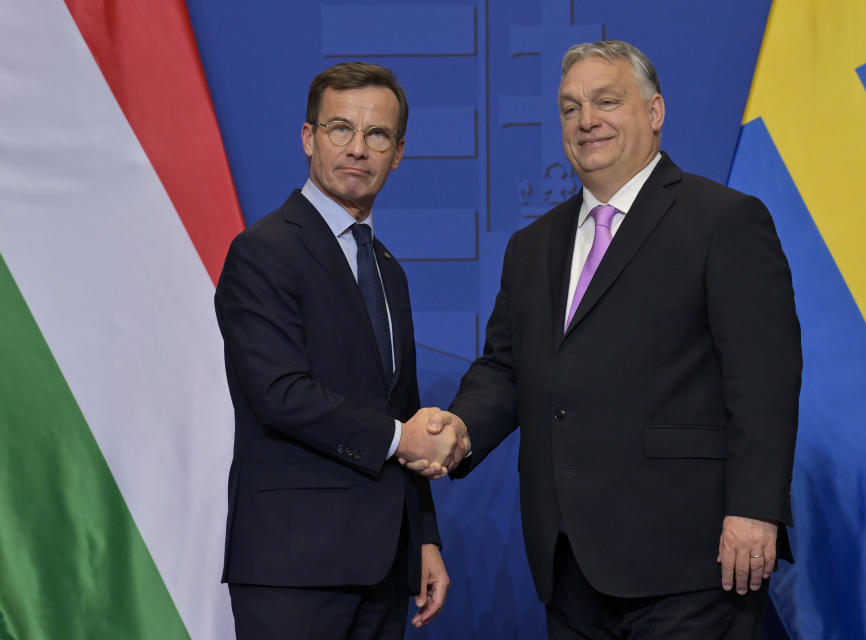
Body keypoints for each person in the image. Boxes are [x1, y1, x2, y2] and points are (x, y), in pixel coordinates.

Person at [416, 40, 802, 638]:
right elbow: (506, 369)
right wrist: (461, 430)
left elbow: (764, 380)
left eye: (606, 101)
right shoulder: (532, 246)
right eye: (570, 108)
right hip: (568, 562)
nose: (586, 120)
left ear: (654, 112)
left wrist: (754, 509)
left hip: (691, 561)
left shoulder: (724, 220)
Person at [214, 61, 464, 639]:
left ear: (398, 152)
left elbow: (402, 402)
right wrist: (403, 439)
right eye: (339, 129)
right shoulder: (262, 251)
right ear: (308, 138)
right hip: (293, 565)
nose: (358, 148)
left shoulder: (388, 271)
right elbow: (280, 394)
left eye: (377, 134)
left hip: (383, 563)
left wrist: (423, 536)